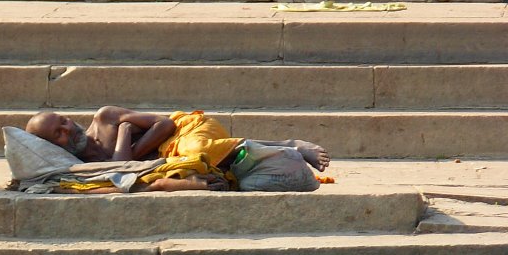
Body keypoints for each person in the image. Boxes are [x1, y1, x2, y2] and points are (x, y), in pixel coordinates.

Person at [24, 106, 331, 173]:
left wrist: (128, 145)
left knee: (194, 149)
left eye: (64, 121)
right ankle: (281, 153)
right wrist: (126, 137)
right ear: (53, 145)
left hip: (189, 128)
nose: (68, 129)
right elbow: (120, 169)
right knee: (196, 163)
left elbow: (165, 123)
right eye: (59, 133)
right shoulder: (77, 163)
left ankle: (290, 146)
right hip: (173, 155)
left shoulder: (104, 119)